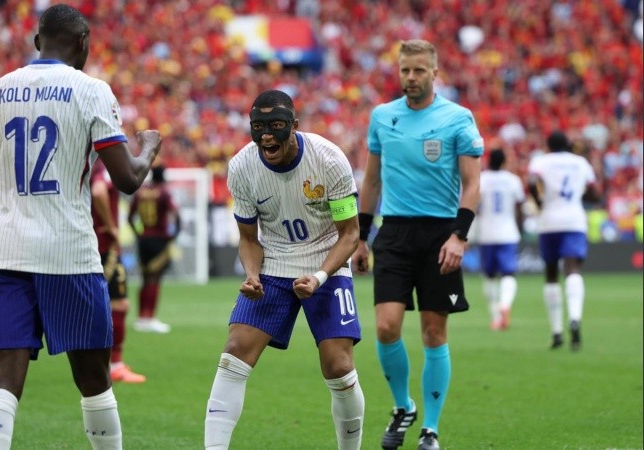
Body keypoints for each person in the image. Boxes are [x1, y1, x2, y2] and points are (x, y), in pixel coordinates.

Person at [0, 4, 160, 449]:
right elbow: (126, 179)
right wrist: (148, 148)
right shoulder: (91, 91)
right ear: (84, 43)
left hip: (5, 254)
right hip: (69, 253)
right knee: (93, 379)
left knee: (4, 377)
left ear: (36, 43)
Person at [204, 90, 365, 450]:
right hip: (275, 264)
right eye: (257, 126)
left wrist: (320, 276)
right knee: (234, 351)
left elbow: (350, 234)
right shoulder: (242, 167)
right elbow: (248, 238)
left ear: (294, 126)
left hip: (327, 264)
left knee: (338, 367)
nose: (265, 135)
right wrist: (251, 274)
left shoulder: (328, 160)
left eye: (275, 126)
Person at [352, 39, 483, 450]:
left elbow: (472, 182)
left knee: (433, 332)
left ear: (434, 72)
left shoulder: (458, 118)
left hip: (440, 234)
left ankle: (431, 429)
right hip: (394, 233)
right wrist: (360, 237)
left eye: (419, 71)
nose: (411, 78)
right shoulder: (382, 117)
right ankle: (402, 405)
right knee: (387, 326)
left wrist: (459, 236)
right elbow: (371, 181)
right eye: (405, 70)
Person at [527, 131, 600, 351]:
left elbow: (531, 182)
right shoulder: (580, 162)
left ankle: (557, 332)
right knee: (573, 269)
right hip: (574, 220)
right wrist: (580, 195)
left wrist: (540, 202)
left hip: (549, 220)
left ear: (548, 145)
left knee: (551, 273)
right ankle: (575, 318)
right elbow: (595, 193)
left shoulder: (541, 160)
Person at [91, 159, 146, 383]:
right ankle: (115, 364)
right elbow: (98, 191)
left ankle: (101, 363)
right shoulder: (102, 164)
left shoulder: (86, 162)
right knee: (118, 304)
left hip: (87, 242)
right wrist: (112, 227)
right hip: (104, 245)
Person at [475, 149, 526, 331]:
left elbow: (474, 204)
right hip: (508, 232)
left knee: (489, 276)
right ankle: (505, 305)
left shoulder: (482, 179)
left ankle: (495, 316)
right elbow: (520, 206)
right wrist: (520, 227)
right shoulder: (513, 180)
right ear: (504, 162)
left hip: (487, 233)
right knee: (508, 274)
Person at [127, 165, 180, 333]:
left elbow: (130, 217)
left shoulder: (141, 192)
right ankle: (149, 318)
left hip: (144, 239)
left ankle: (141, 317)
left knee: (144, 279)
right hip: (159, 239)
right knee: (154, 279)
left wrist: (138, 234)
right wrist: (173, 235)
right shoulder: (164, 192)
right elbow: (176, 215)